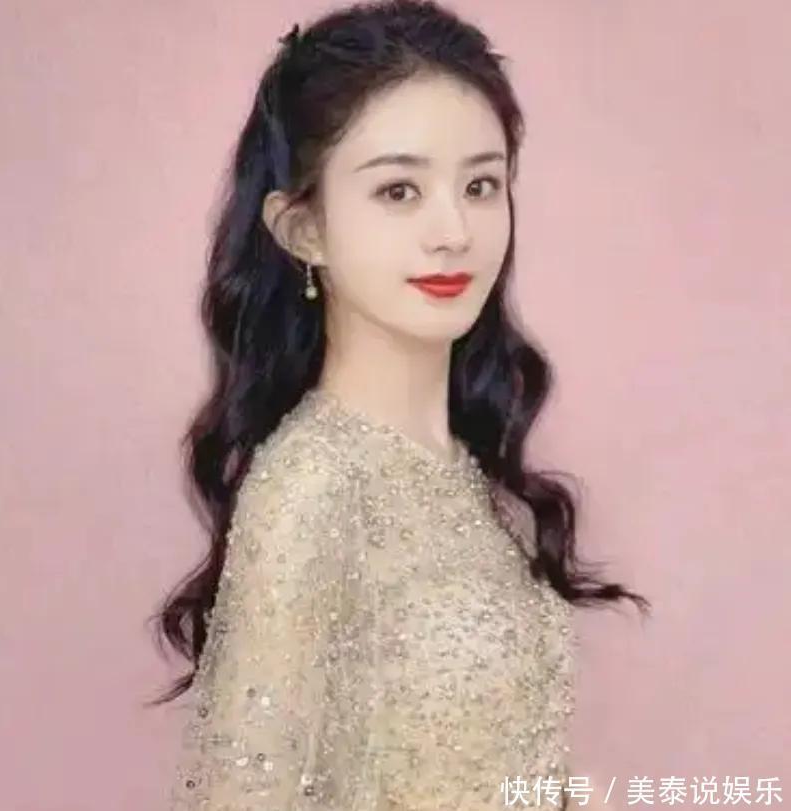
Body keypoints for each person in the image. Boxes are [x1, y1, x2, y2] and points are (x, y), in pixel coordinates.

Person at [147, 1, 650, 808]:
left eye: (480, 185)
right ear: (303, 229)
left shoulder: (467, 476)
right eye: (398, 191)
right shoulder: (312, 489)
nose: (453, 230)